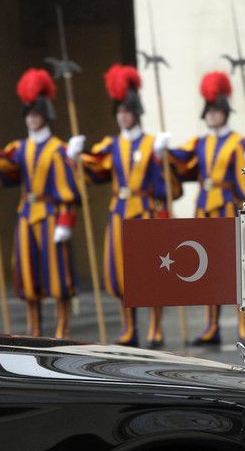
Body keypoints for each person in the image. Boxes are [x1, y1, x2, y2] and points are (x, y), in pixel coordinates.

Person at [71, 64, 171, 348]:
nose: (123, 116)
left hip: (146, 211)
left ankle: (155, 327)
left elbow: (166, 186)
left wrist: (161, 158)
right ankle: (129, 328)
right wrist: (76, 158)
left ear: (136, 112)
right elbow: (95, 170)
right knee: (122, 272)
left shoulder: (152, 143)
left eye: (127, 111)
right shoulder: (112, 145)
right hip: (119, 212)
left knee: (152, 272)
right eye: (119, 111)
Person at [0, 68, 78, 339]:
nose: (32, 119)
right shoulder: (20, 147)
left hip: (51, 214)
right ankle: (33, 324)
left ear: (45, 115)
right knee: (26, 270)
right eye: (29, 114)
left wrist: (66, 221)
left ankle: (62, 324)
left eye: (36, 114)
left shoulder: (58, 149)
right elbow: (8, 171)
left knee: (57, 272)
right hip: (26, 213)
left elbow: (67, 189)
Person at [160, 71, 245, 346]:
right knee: (205, 268)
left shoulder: (238, 142)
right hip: (203, 208)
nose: (212, 116)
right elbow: (182, 159)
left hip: (227, 208)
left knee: (235, 269)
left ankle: (243, 325)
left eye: (216, 111)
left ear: (224, 112)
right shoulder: (200, 143)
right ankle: (211, 326)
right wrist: (164, 151)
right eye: (209, 111)